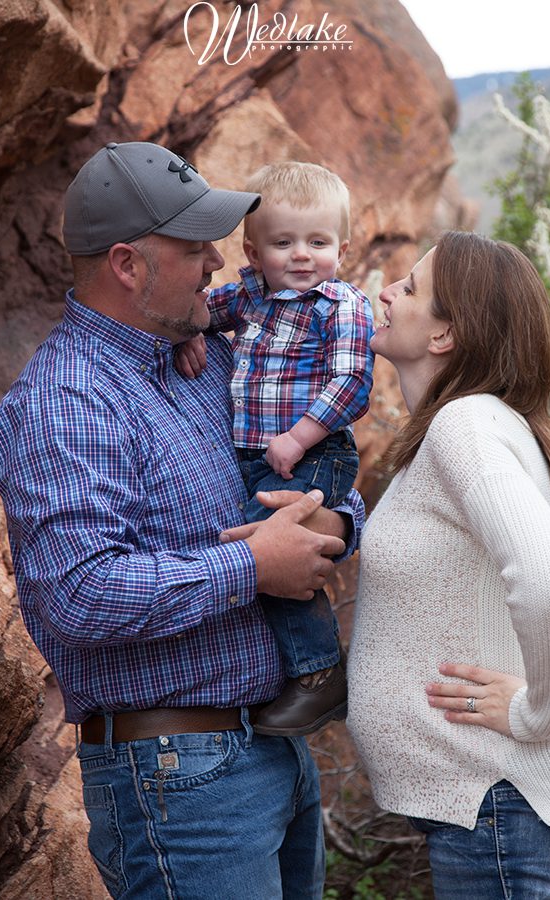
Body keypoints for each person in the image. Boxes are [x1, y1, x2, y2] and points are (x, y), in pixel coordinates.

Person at [0, 141, 365, 900]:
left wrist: (333, 524)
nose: (219, 264)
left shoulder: (212, 358)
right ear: (129, 266)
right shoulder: (66, 401)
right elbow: (79, 594)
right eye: (196, 247)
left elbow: (317, 470)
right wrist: (254, 566)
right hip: (177, 780)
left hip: (273, 750)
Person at [347, 230, 550, 898]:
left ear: (444, 335)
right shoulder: (461, 432)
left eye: (411, 286)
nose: (388, 292)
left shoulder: (467, 426)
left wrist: (538, 713)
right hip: (491, 811)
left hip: (505, 808)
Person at [177, 161, 374, 737]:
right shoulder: (253, 295)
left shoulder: (340, 305)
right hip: (258, 452)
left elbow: (351, 382)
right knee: (249, 541)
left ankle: (318, 672)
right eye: (283, 243)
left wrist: (299, 436)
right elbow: (206, 311)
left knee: (271, 541)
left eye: (318, 242)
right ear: (253, 248)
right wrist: (190, 331)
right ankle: (283, 667)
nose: (301, 256)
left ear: (343, 247)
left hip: (315, 449)